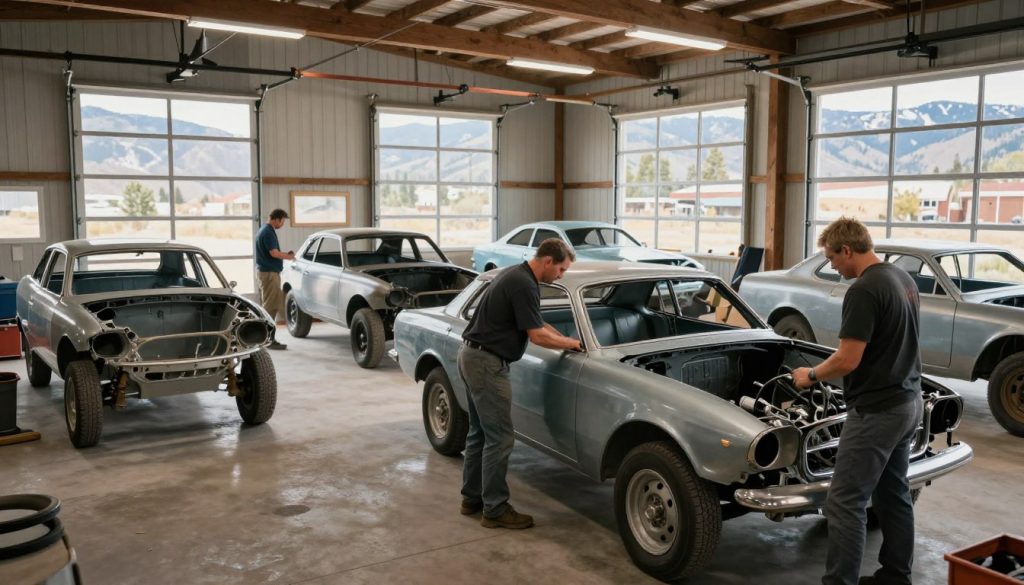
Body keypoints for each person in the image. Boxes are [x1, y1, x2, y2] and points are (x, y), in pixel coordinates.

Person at [790, 217, 923, 585]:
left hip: (877, 411)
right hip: (908, 401)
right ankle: (896, 576)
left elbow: (848, 359)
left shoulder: (864, 290)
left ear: (847, 250)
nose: (832, 266)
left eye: (832, 258)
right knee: (893, 492)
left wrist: (810, 375)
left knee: (844, 502)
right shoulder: (902, 279)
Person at [458, 238, 583, 529]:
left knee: (480, 434)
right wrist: (571, 344)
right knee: (500, 438)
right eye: (562, 269)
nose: (561, 276)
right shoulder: (524, 284)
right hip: (487, 365)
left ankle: (472, 499)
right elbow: (537, 337)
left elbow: (537, 324)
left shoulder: (517, 275)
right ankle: (495, 510)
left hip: (472, 357)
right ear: (548, 261)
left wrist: (567, 338)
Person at [255, 208, 295, 350]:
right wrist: (289, 257)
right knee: (271, 307)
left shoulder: (263, 230)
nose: (282, 224)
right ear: (277, 219)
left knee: (267, 305)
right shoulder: (268, 232)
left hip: (264, 272)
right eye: (282, 221)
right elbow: (274, 253)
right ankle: (268, 340)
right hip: (270, 274)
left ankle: (263, 338)